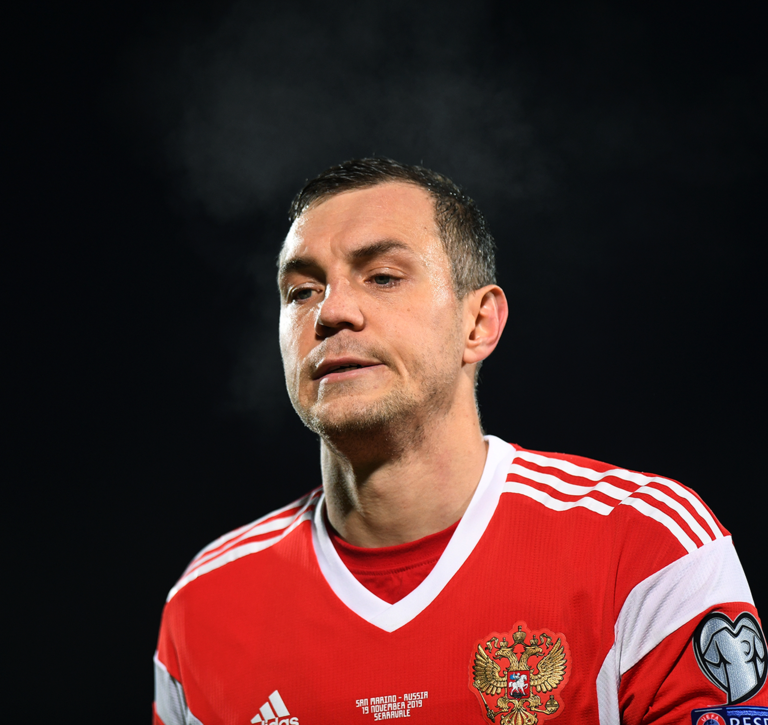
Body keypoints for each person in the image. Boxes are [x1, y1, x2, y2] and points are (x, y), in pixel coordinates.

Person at [154, 158, 766, 725]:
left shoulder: (646, 547)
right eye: (302, 291)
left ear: (479, 323)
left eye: (383, 277)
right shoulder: (204, 604)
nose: (332, 312)